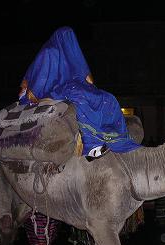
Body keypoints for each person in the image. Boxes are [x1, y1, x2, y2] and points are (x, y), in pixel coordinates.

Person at [18, 26, 140, 158]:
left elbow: (82, 73)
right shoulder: (49, 52)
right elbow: (40, 79)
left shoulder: (67, 54)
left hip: (70, 85)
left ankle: (118, 137)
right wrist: (34, 94)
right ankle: (90, 145)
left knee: (107, 97)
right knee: (79, 97)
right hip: (48, 91)